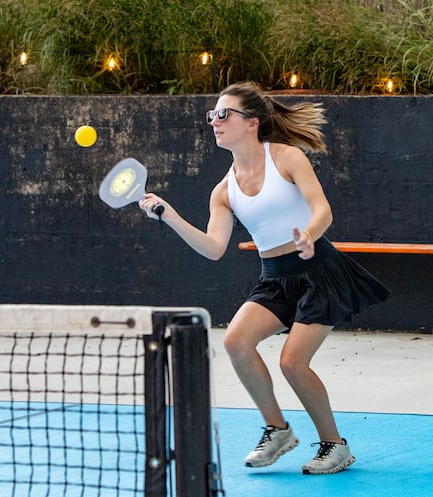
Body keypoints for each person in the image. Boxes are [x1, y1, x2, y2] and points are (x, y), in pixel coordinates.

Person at [138, 81, 390, 475]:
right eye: (212, 115)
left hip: (319, 270)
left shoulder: (287, 158)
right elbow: (213, 248)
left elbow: (322, 209)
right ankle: (278, 430)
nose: (214, 122)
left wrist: (309, 234)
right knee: (236, 342)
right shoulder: (223, 191)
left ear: (251, 122)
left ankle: (335, 445)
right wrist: (168, 215)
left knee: (293, 362)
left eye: (224, 114)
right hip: (274, 278)